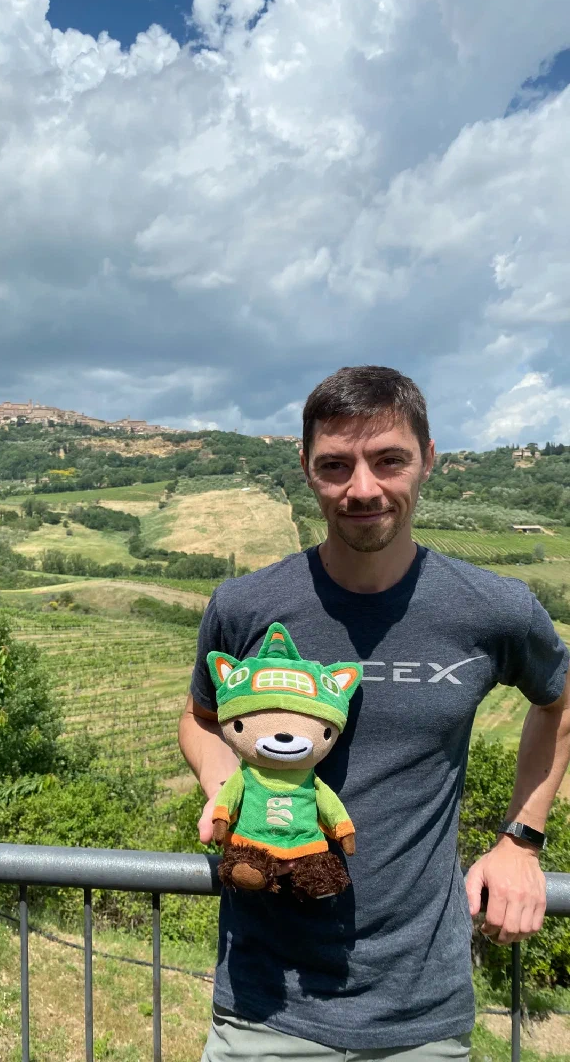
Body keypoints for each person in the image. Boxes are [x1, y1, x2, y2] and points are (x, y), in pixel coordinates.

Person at [178, 365, 570, 1061]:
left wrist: (520, 840)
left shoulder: (492, 609)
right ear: (306, 468)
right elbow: (201, 718)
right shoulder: (245, 605)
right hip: (262, 1007)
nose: (362, 488)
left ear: (429, 458)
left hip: (420, 1014)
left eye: (389, 460)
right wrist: (224, 788)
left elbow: (559, 701)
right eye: (336, 465)